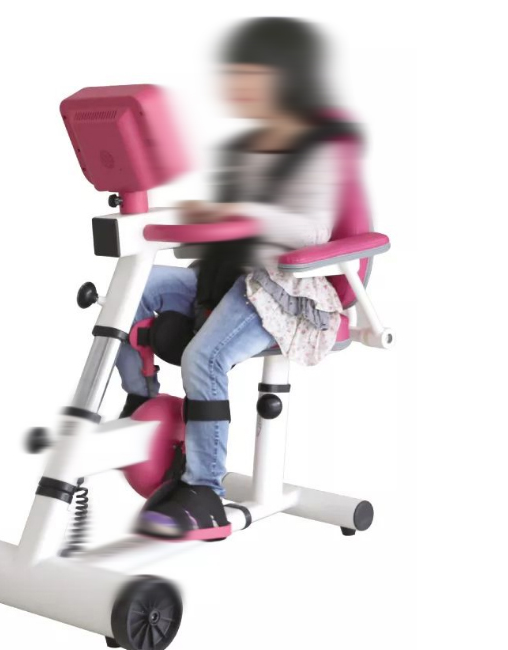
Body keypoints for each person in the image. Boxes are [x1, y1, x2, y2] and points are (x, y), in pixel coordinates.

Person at [115, 17, 362, 541]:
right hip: (233, 275)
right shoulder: (249, 146)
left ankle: (204, 490)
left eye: (251, 74)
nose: (237, 85)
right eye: (234, 74)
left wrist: (238, 213)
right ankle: (140, 403)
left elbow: (309, 230)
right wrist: (206, 215)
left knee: (204, 357)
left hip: (291, 287)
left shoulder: (320, 147)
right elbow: (229, 224)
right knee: (130, 290)